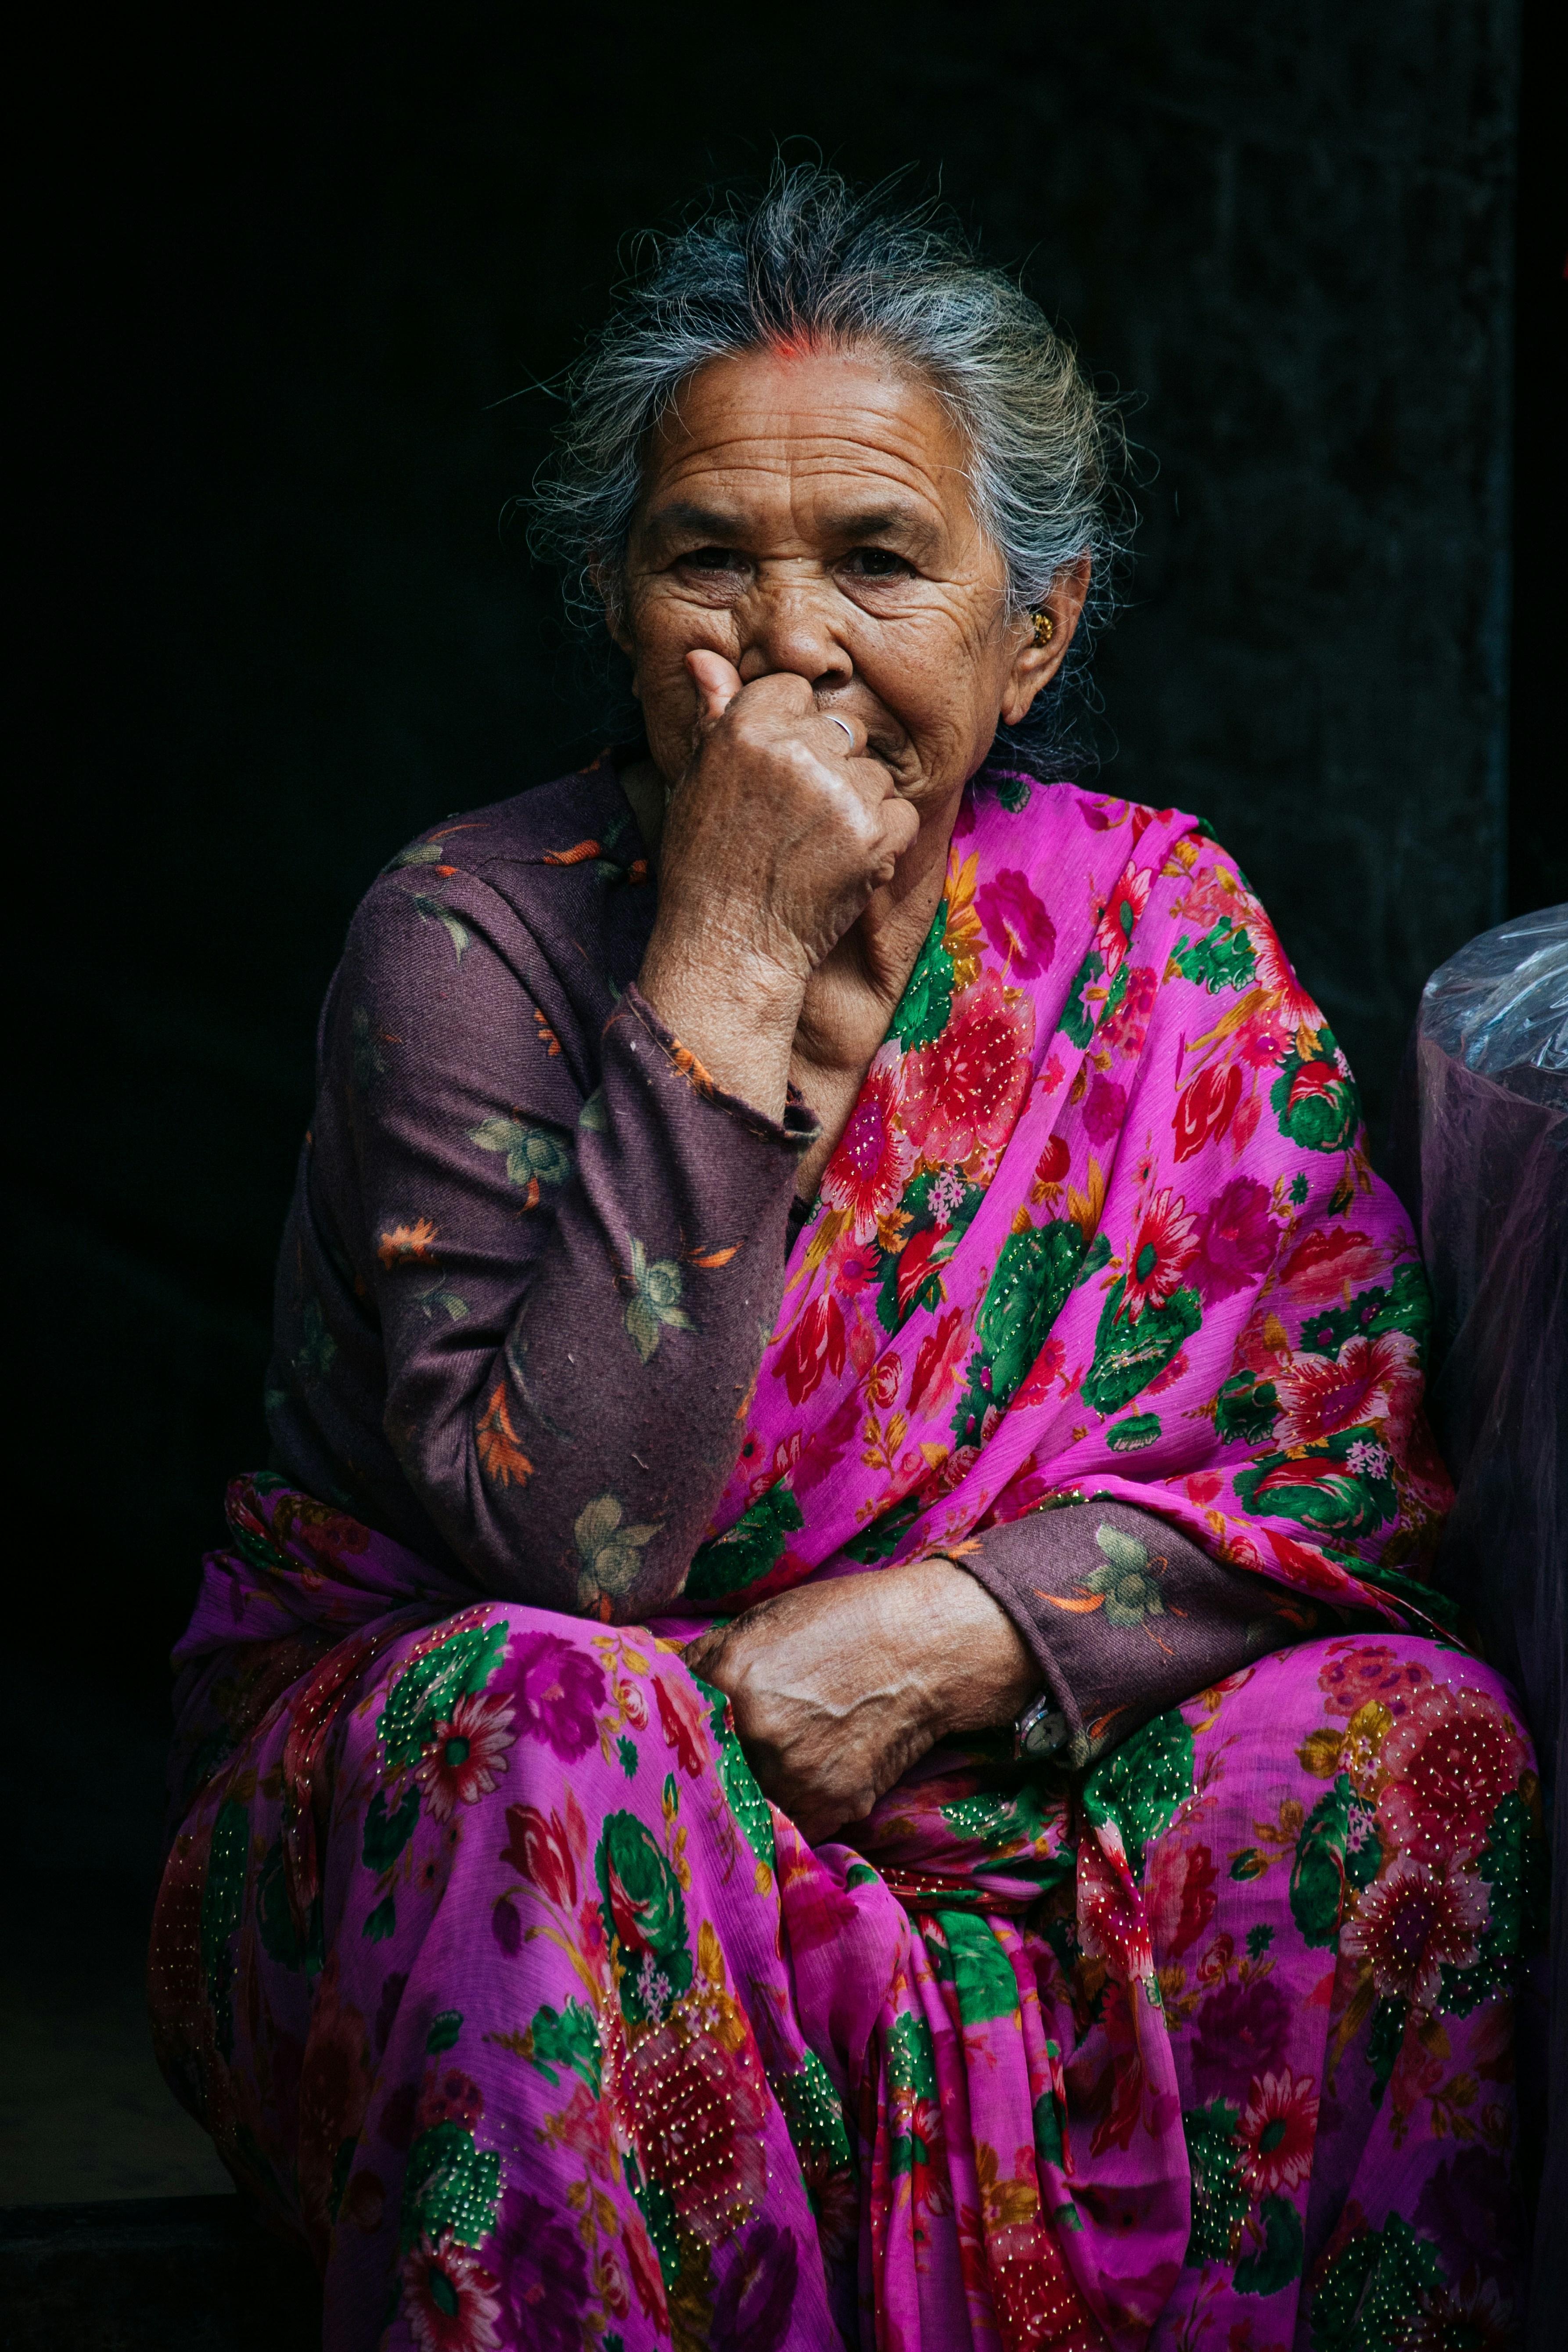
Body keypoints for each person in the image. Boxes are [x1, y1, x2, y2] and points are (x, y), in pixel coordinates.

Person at [149, 169, 1542, 2352]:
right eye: (708, 557)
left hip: (997, 1785)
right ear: (615, 603)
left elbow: (1342, 1473)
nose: (788, 638)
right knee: (544, 1709)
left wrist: (953, 1632)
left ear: (1034, 629)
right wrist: (724, 943)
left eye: (879, 561)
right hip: (511, 1825)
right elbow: (568, 1546)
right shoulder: (467, 939)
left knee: (1408, 1744)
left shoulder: (1151, 931)